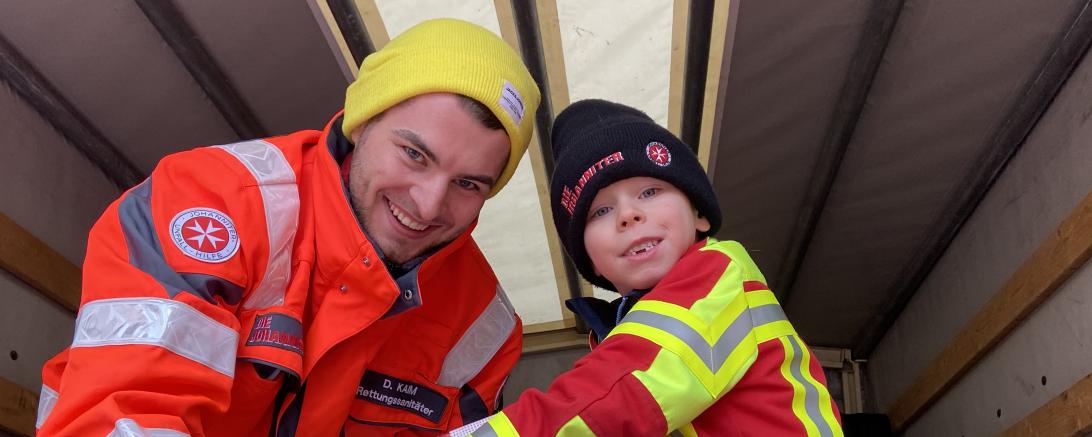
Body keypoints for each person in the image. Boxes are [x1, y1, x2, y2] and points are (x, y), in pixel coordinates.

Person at [35, 19, 540, 436]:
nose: (429, 205)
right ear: (362, 121)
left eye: (469, 185)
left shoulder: (483, 325)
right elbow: (121, 412)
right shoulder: (216, 200)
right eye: (414, 154)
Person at [451, 100, 843, 436]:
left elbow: (618, 392)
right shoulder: (625, 330)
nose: (629, 215)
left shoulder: (716, 273)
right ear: (590, 260)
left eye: (650, 192)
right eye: (600, 210)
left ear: (699, 213)